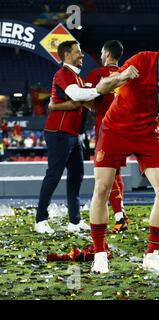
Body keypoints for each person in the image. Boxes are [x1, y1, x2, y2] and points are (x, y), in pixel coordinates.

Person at [89, 22, 159, 273]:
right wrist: (122, 76)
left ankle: (152, 254)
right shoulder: (143, 60)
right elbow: (100, 89)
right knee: (102, 188)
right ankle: (100, 253)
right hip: (115, 129)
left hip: (146, 132)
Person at [35, 40, 100, 235]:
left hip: (73, 134)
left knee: (76, 176)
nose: (82, 55)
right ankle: (40, 219)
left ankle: (75, 221)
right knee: (54, 175)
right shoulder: (63, 74)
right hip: (58, 132)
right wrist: (99, 89)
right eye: (78, 52)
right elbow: (77, 94)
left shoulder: (76, 77)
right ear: (67, 55)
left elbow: (81, 100)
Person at [86, 40, 130, 233]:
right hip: (125, 130)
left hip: (105, 130)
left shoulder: (97, 74)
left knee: (107, 174)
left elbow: (86, 97)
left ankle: (119, 216)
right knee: (116, 173)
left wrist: (93, 107)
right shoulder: (126, 75)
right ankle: (121, 214)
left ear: (106, 54)